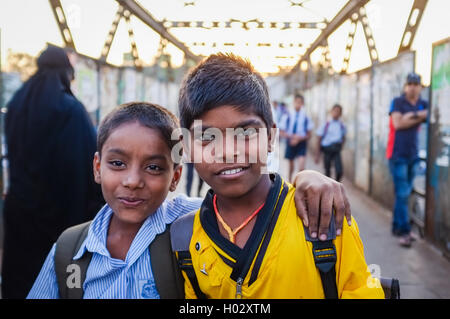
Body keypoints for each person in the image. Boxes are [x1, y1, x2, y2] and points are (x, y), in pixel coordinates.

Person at [27, 102, 353, 299]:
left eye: (154, 167)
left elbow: (253, 202)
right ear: (97, 167)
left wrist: (306, 179)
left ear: (176, 177)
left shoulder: (194, 223)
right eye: (117, 163)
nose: (132, 180)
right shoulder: (69, 251)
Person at [177, 53, 383, 299]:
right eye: (207, 137)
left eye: (245, 132)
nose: (228, 152)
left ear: (272, 137)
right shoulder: (184, 237)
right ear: (187, 147)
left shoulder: (323, 217)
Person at [2, 45, 104, 299]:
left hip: (20, 214)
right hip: (61, 218)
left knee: (22, 278)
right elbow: (87, 164)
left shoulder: (16, 104)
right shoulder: (70, 110)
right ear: (65, 73)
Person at [386, 72, 428, 248]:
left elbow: (426, 114)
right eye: (409, 83)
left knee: (404, 193)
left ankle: (396, 226)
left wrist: (409, 116)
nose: (412, 86)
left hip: (413, 154)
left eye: (415, 84)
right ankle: (404, 232)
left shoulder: (423, 103)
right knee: (403, 194)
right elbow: (398, 124)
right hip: (397, 154)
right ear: (406, 86)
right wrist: (418, 116)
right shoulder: (397, 101)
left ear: (420, 86)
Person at [284, 94, 314, 181]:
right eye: (297, 102)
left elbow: (309, 134)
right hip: (290, 142)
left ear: (303, 104)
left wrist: (299, 139)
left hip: (301, 143)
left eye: (300, 103)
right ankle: (289, 182)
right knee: (291, 166)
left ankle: (300, 184)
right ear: (293, 102)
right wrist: (292, 137)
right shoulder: (288, 115)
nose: (298, 104)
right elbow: (282, 131)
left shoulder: (306, 117)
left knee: (301, 167)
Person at [315, 104, 346, 181]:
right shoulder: (326, 124)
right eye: (335, 111)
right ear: (331, 112)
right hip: (327, 149)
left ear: (340, 114)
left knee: (339, 171)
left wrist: (341, 146)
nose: (336, 113)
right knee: (327, 171)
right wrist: (317, 154)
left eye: (338, 112)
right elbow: (319, 138)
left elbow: (344, 136)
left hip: (336, 149)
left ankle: (336, 184)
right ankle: (328, 188)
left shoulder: (342, 125)